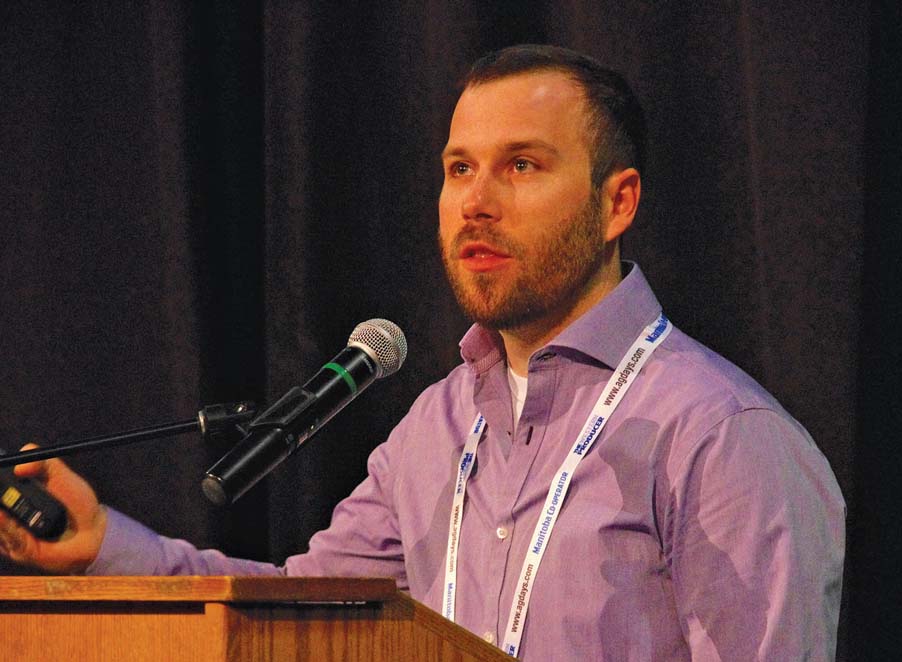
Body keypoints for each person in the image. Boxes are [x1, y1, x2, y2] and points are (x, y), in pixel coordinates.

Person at [0, 45, 845, 660]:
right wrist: (104, 544)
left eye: (521, 165)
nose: (474, 202)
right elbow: (294, 613)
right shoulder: (438, 425)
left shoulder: (723, 435)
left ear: (617, 201)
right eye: (458, 167)